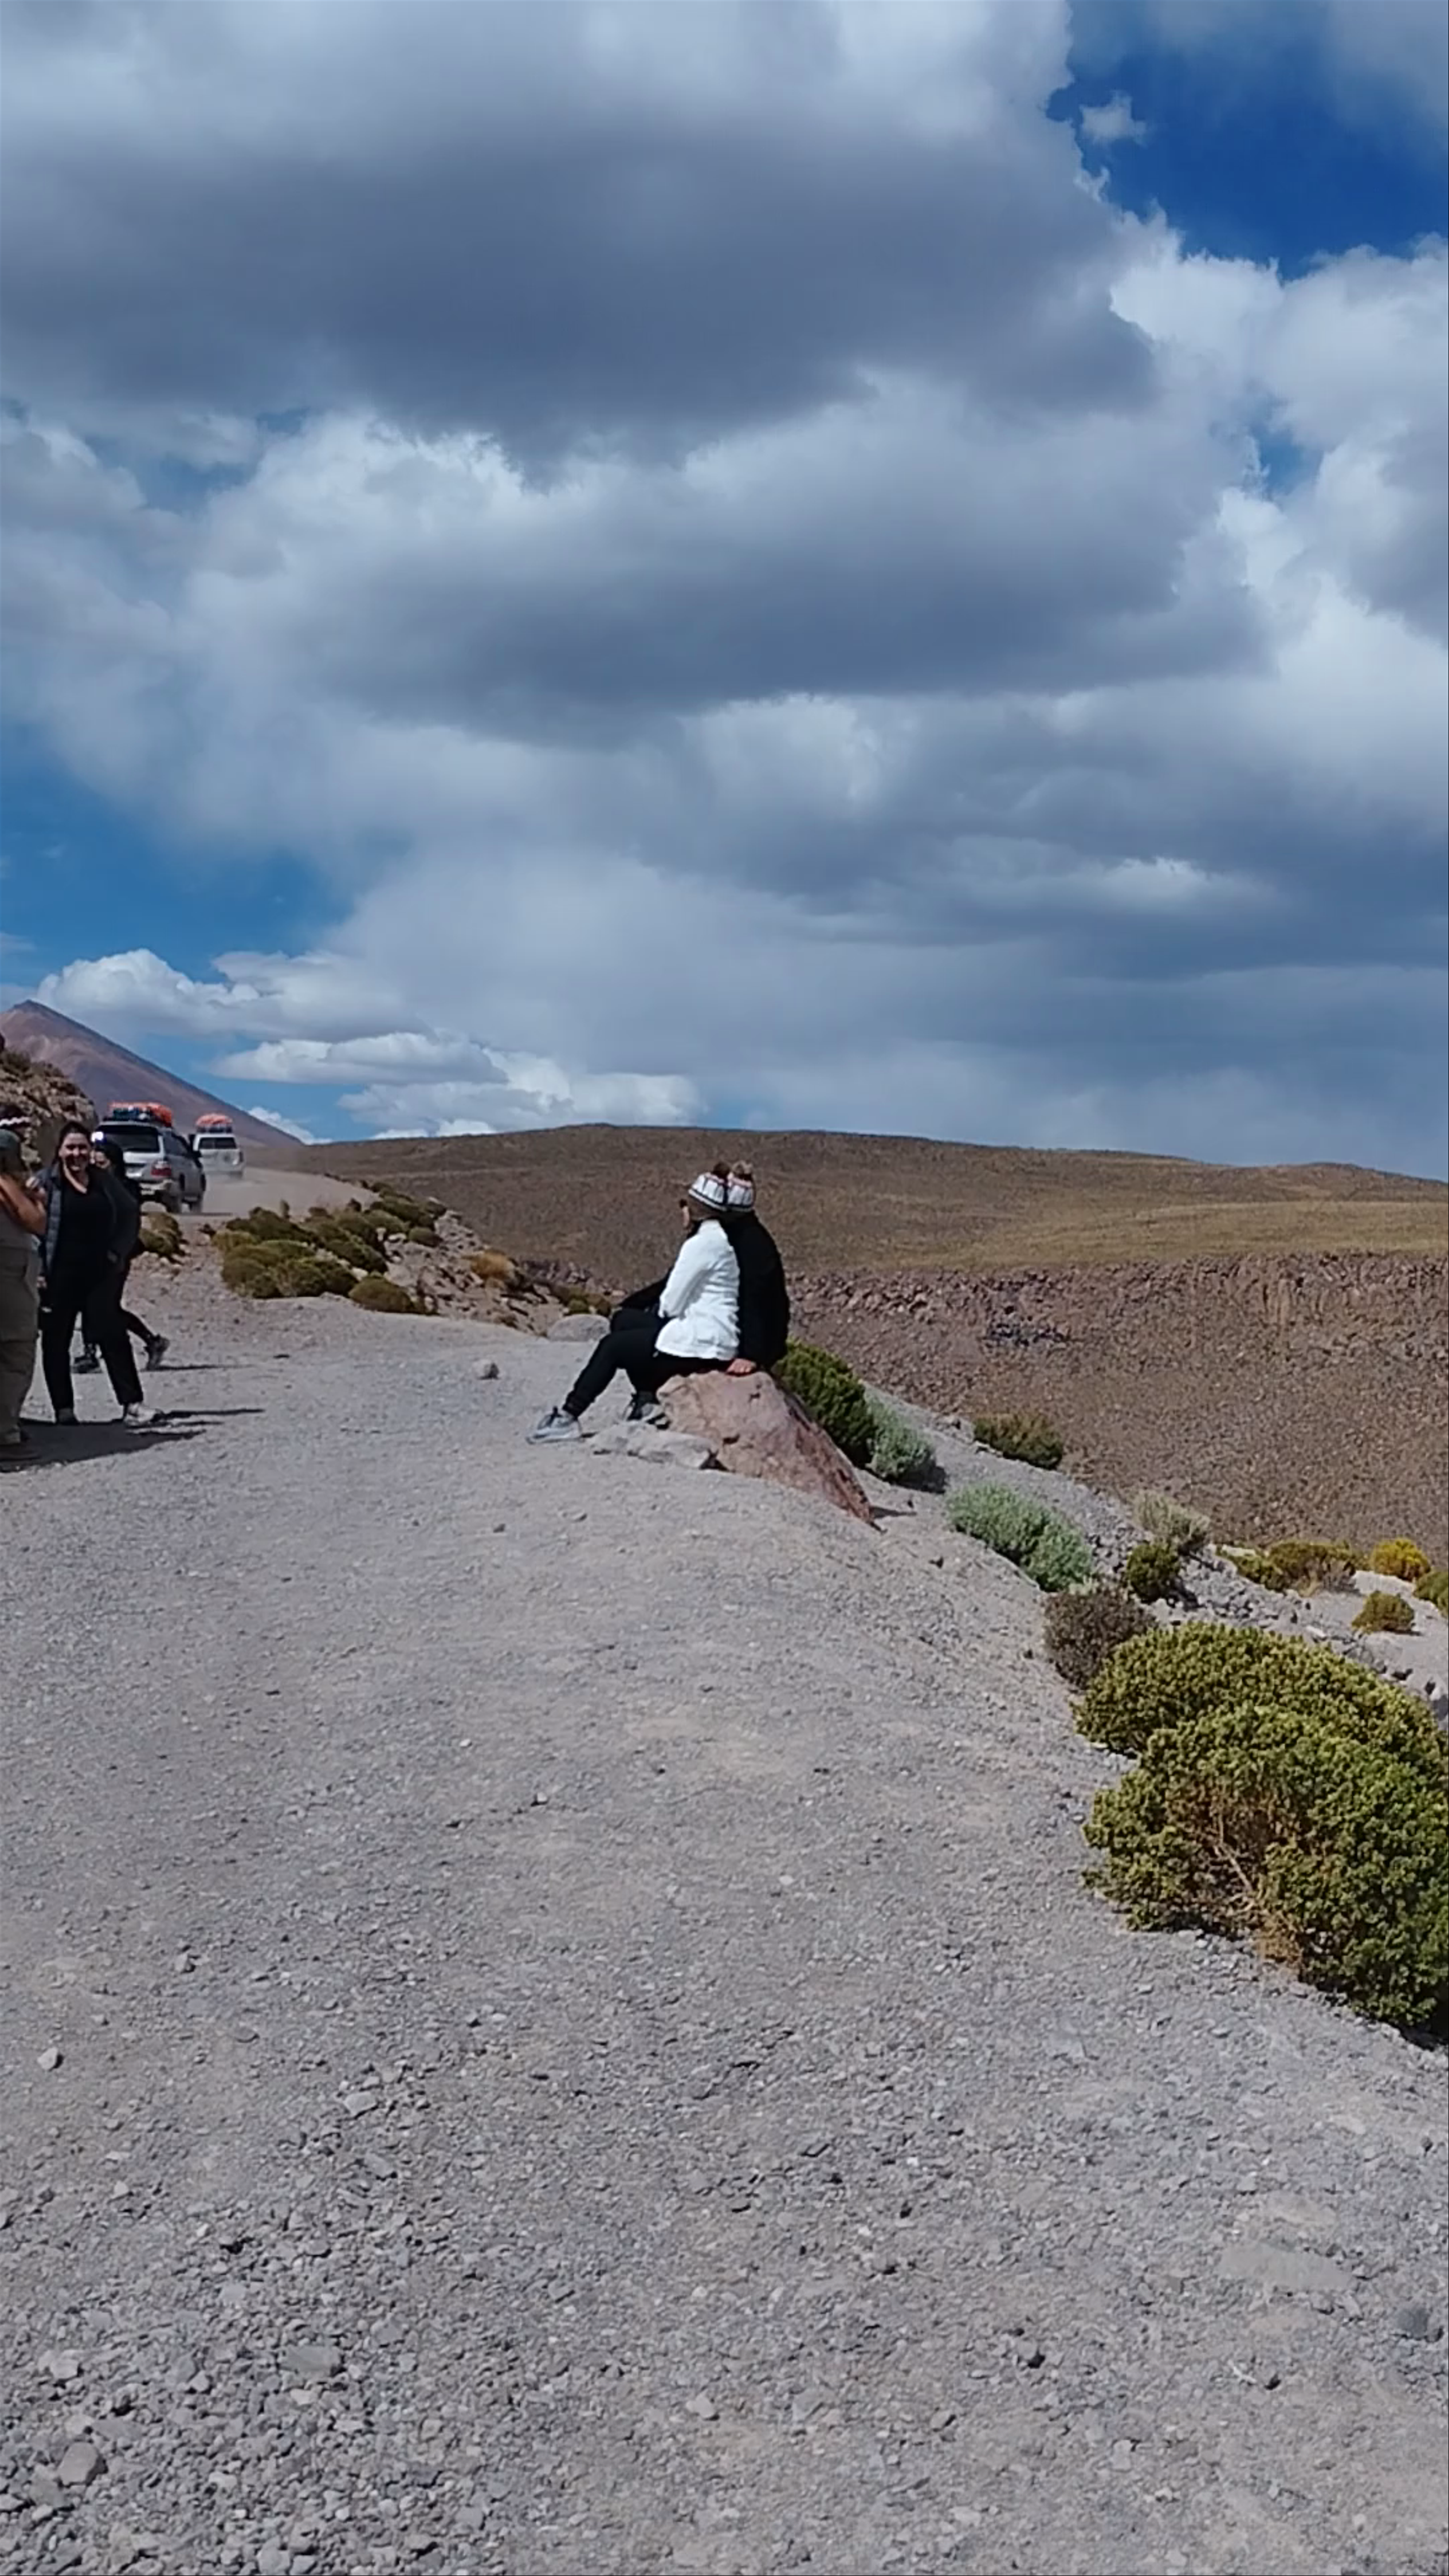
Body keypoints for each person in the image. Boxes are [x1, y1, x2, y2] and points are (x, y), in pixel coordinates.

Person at [529, 1170, 740, 1443]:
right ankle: (646, 1400)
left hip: (703, 1339)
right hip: (713, 1334)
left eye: (686, 1207)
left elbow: (671, 1303)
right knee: (624, 1321)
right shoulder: (721, 1242)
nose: (682, 1214)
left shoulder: (701, 1245)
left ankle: (569, 1416)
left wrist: (662, 1315)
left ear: (696, 1211)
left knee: (614, 1346)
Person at [38, 1123, 155, 1427]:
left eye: (82, 1148)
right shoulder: (47, 1182)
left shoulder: (103, 1181)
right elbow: (33, 1225)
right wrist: (38, 1268)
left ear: (91, 1151)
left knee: (112, 1335)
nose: (77, 1154)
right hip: (60, 1273)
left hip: (100, 1272)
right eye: (71, 1148)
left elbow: (130, 1212)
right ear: (60, 1150)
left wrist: (118, 1251)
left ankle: (132, 1405)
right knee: (56, 1340)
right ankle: (64, 1409)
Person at [74, 1135, 169, 1374]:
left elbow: (128, 1222)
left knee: (106, 1306)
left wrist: (118, 1251)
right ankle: (90, 1353)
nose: (97, 1163)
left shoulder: (126, 1188)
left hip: (116, 1256)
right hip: (90, 1253)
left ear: (114, 1161)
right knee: (89, 1303)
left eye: (102, 1160)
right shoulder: (88, 1184)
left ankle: (151, 1341)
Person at [720, 1163, 790, 1377]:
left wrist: (751, 1353)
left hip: (760, 1344)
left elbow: (757, 1299)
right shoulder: (744, 1236)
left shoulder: (752, 1245)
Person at [0, 1126, 45, 1452]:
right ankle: (6, 1430)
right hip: (11, 1278)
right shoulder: (7, 1186)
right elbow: (35, 1221)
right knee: (16, 1351)